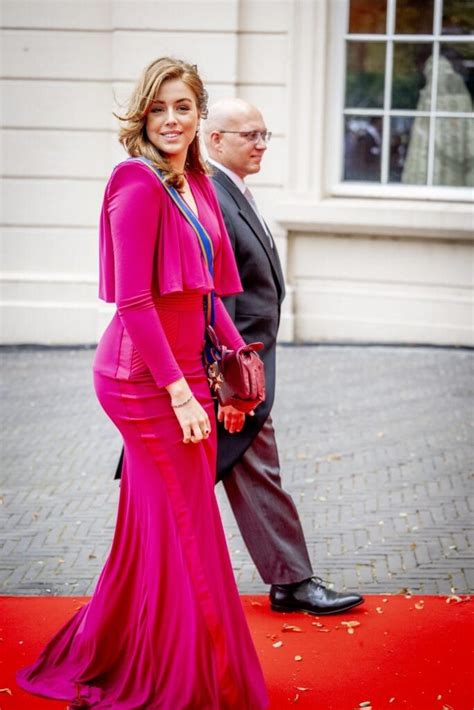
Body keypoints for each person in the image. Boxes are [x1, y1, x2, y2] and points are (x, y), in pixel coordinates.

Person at [17, 58, 268, 709]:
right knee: (189, 526)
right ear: (143, 115)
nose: (171, 119)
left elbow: (204, 292)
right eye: (159, 108)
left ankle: (126, 648)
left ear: (199, 115)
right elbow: (134, 301)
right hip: (141, 381)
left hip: (185, 373)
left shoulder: (198, 182)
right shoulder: (136, 182)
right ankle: (198, 679)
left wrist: (239, 359)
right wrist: (181, 395)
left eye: (183, 107)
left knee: (155, 526)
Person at [203, 98, 364, 616]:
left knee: (246, 475)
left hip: (247, 369)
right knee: (252, 473)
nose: (260, 145)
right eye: (249, 135)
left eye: (264, 135)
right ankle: (291, 582)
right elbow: (219, 298)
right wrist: (233, 388)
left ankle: (287, 581)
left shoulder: (233, 192)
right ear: (215, 140)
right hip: (238, 375)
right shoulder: (215, 198)